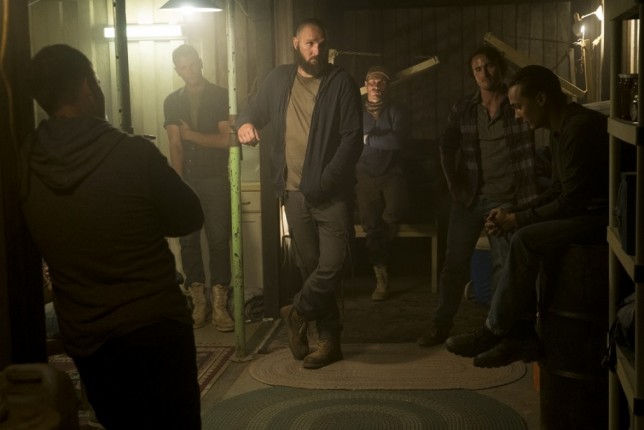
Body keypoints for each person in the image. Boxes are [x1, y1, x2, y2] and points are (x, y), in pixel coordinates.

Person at [22, 44, 203, 429]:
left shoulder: (25, 166)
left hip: (89, 340)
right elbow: (189, 215)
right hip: (155, 328)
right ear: (87, 87)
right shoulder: (133, 153)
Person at [445, 64, 609, 368]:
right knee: (516, 230)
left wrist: (518, 220)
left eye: (519, 106)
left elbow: (571, 202)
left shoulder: (578, 128)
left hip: (605, 219)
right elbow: (558, 189)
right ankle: (521, 333)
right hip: (584, 211)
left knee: (524, 237)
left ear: (541, 99)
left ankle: (494, 329)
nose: (518, 115)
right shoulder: (560, 130)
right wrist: (514, 212)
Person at [236, 18, 363, 369]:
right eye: (309, 43)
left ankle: (297, 312)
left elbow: (352, 140)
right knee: (311, 268)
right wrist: (244, 123)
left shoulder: (341, 82)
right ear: (295, 43)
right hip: (292, 194)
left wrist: (323, 183)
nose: (316, 50)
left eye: (321, 43)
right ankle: (328, 341)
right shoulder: (278, 79)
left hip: (331, 195)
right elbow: (252, 110)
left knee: (333, 265)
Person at [417, 45, 540, 347]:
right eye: (477, 68)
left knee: (503, 266)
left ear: (500, 67)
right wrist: (454, 186)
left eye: (489, 66)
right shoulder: (465, 108)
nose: (484, 73)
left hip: (507, 199)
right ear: (472, 75)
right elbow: (446, 144)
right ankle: (441, 325)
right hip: (470, 198)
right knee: (454, 264)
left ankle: (495, 330)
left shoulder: (516, 104)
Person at [163, 44, 234, 332]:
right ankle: (199, 303)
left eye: (192, 64)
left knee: (219, 240)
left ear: (200, 62)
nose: (189, 71)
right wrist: (178, 185)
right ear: (177, 70)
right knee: (188, 241)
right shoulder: (172, 101)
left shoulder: (220, 95)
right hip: (187, 179)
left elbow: (226, 140)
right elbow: (175, 145)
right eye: (183, 67)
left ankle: (220, 305)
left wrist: (191, 134)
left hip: (215, 177)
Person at [355, 66, 410, 301]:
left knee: (395, 210)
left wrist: (368, 139)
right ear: (366, 86)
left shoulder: (397, 110)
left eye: (381, 82)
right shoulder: (356, 112)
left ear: (387, 86)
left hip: (391, 172)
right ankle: (381, 276)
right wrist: (382, 139)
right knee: (371, 224)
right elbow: (351, 140)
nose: (376, 86)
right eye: (372, 82)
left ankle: (382, 243)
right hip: (364, 174)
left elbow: (397, 141)